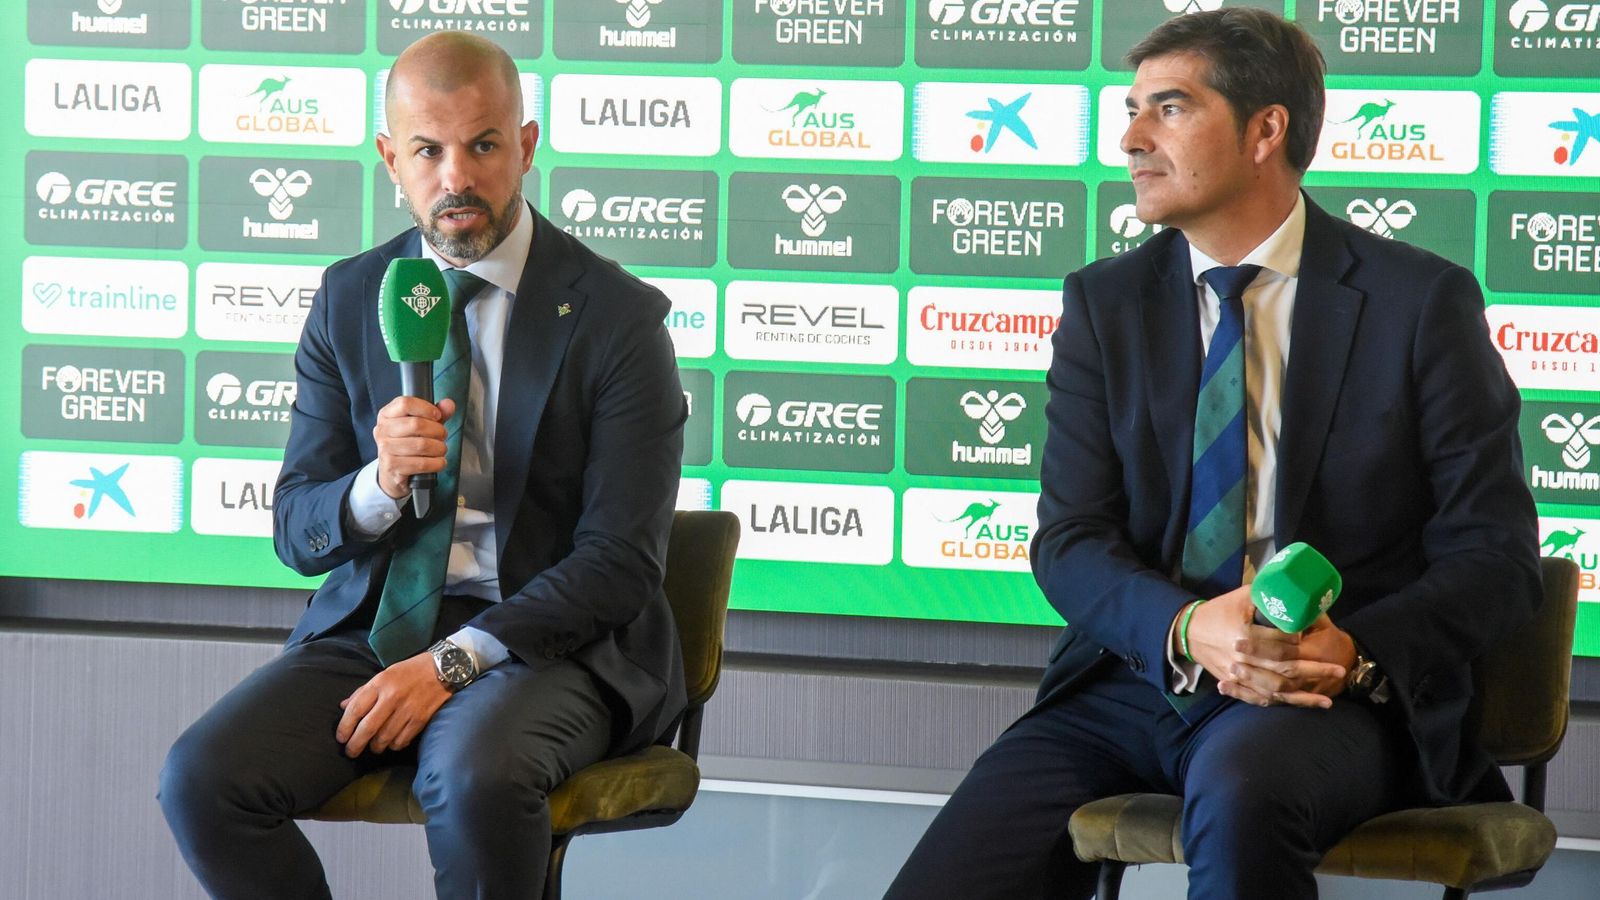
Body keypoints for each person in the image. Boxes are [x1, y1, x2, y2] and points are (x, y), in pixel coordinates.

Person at [887, 10, 1540, 899]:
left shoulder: (1416, 302)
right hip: (1134, 685)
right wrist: (1190, 629)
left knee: (1241, 794)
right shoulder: (1105, 304)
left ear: (1266, 128)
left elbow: (1495, 560)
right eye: (1131, 110)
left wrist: (1347, 653)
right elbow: (1070, 539)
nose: (1130, 138)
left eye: (1169, 109)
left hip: (1324, 699)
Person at [159, 33, 687, 899]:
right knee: (203, 780)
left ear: (525, 144)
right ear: (388, 160)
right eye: (428, 151)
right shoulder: (348, 297)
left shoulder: (618, 319)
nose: (456, 179)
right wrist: (380, 482)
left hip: (551, 644)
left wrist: (452, 663)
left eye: (483, 145)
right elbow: (298, 527)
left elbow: (620, 564)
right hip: (378, 629)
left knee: (473, 774)